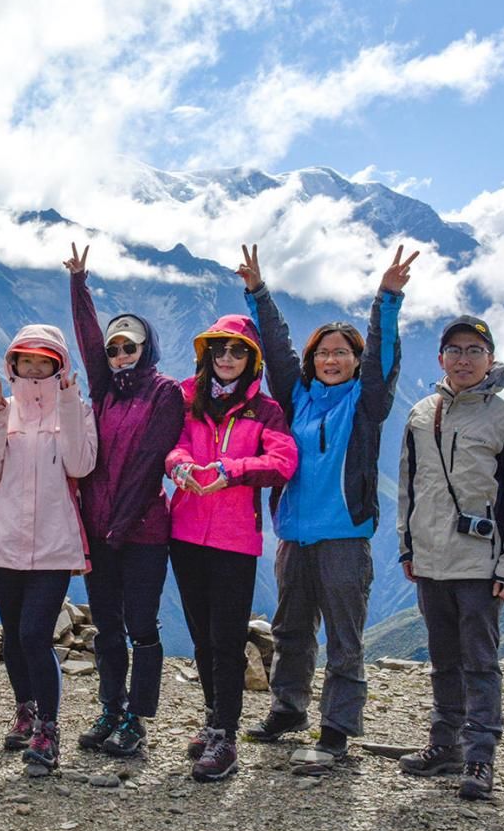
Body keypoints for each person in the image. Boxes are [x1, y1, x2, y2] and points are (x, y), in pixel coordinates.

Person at [238, 244, 414, 771]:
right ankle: (288, 708)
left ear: (358, 360)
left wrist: (388, 299)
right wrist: (258, 293)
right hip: (294, 534)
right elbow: (277, 347)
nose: (330, 360)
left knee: (343, 636)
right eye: (323, 353)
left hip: (343, 536)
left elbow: (386, 355)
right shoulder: (298, 397)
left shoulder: (367, 403)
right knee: (291, 629)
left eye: (341, 352)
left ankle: (337, 728)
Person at [395, 315, 504, 801]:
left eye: (474, 351)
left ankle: (480, 758)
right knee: (442, 659)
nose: (463, 359)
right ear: (441, 358)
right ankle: (445, 746)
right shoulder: (420, 414)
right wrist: (407, 547)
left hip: (481, 565)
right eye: (454, 350)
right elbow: (408, 488)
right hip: (430, 562)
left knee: (480, 662)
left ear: (491, 359)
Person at [62, 243, 184, 757]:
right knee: (107, 624)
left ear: (145, 348)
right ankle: (111, 706)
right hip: (99, 529)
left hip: (142, 532)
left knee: (141, 623)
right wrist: (79, 284)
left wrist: (118, 524)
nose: (118, 356)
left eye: (128, 348)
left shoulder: (165, 393)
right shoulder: (103, 389)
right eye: (113, 350)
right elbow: (88, 342)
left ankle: (137, 717)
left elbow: (148, 463)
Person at [166, 312, 297, 782]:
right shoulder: (188, 400)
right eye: (219, 349)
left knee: (226, 639)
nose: (227, 357)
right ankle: (213, 717)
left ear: (252, 359)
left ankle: (226, 734)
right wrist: (180, 466)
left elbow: (282, 462)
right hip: (184, 532)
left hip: (234, 539)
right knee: (202, 635)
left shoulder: (266, 411)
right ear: (207, 356)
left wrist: (231, 470)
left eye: (237, 350)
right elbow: (174, 445)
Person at [0, 324, 97, 773]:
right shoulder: (1, 411)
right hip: (5, 539)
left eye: (45, 360)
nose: (36, 367)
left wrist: (67, 403)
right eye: (28, 360)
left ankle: (47, 727)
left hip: (54, 542)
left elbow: (82, 464)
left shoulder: (76, 410)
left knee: (33, 635)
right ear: (14, 364)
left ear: (59, 365)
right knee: (12, 634)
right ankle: (24, 710)